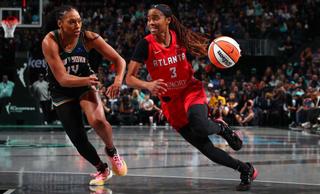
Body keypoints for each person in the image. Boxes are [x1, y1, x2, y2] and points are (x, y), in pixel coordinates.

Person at [125, 4, 258, 191]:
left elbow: (209, 50)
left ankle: (221, 127)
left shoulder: (180, 37)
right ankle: (245, 169)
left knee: (201, 125)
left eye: (155, 18)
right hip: (171, 105)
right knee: (208, 150)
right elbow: (129, 78)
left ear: (168, 20)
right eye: (148, 19)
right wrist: (148, 85)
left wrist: (228, 53)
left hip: (190, 91)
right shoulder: (145, 44)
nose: (151, 22)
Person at [41, 6, 127, 186]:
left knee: (98, 121)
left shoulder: (88, 37)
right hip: (62, 90)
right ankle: (102, 169)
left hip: (84, 85)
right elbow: (63, 79)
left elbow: (120, 60)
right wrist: (87, 79)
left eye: (79, 21)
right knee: (79, 140)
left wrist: (118, 80)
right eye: (72, 22)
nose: (77, 25)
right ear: (60, 24)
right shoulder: (50, 41)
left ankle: (112, 151)